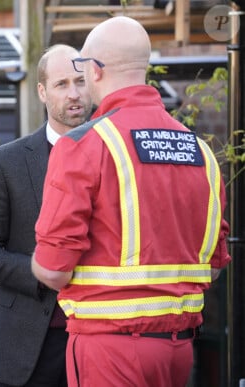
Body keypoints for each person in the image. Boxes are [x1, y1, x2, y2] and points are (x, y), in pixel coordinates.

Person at [31, 16, 232, 387]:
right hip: (179, 350)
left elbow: (53, 269)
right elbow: (215, 265)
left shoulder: (83, 146)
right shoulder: (200, 151)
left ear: (95, 70)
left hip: (110, 348)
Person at [0, 44, 92, 387]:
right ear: (42, 91)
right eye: (62, 84)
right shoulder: (6, 162)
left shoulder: (115, 153)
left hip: (101, 338)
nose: (74, 93)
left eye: (80, 81)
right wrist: (44, 274)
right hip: (29, 345)